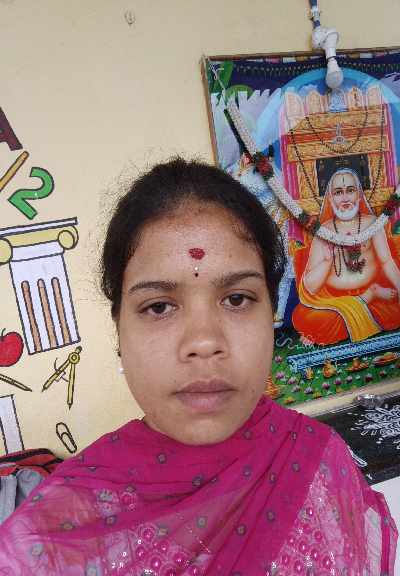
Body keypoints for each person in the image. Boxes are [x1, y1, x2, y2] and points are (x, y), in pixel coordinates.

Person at [0, 158, 397, 575]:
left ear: (271, 314)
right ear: (119, 331)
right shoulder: (52, 533)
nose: (204, 341)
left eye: (237, 299)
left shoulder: (319, 459)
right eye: (159, 307)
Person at [292, 168, 400, 345]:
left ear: (359, 195)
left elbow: (387, 261)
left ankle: (368, 296)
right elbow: (310, 286)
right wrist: (328, 261)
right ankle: (367, 297)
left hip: (376, 300)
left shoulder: (372, 224)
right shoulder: (323, 231)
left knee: (394, 308)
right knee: (303, 316)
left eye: (350, 190)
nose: (345, 198)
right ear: (330, 199)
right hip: (335, 302)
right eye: (338, 192)